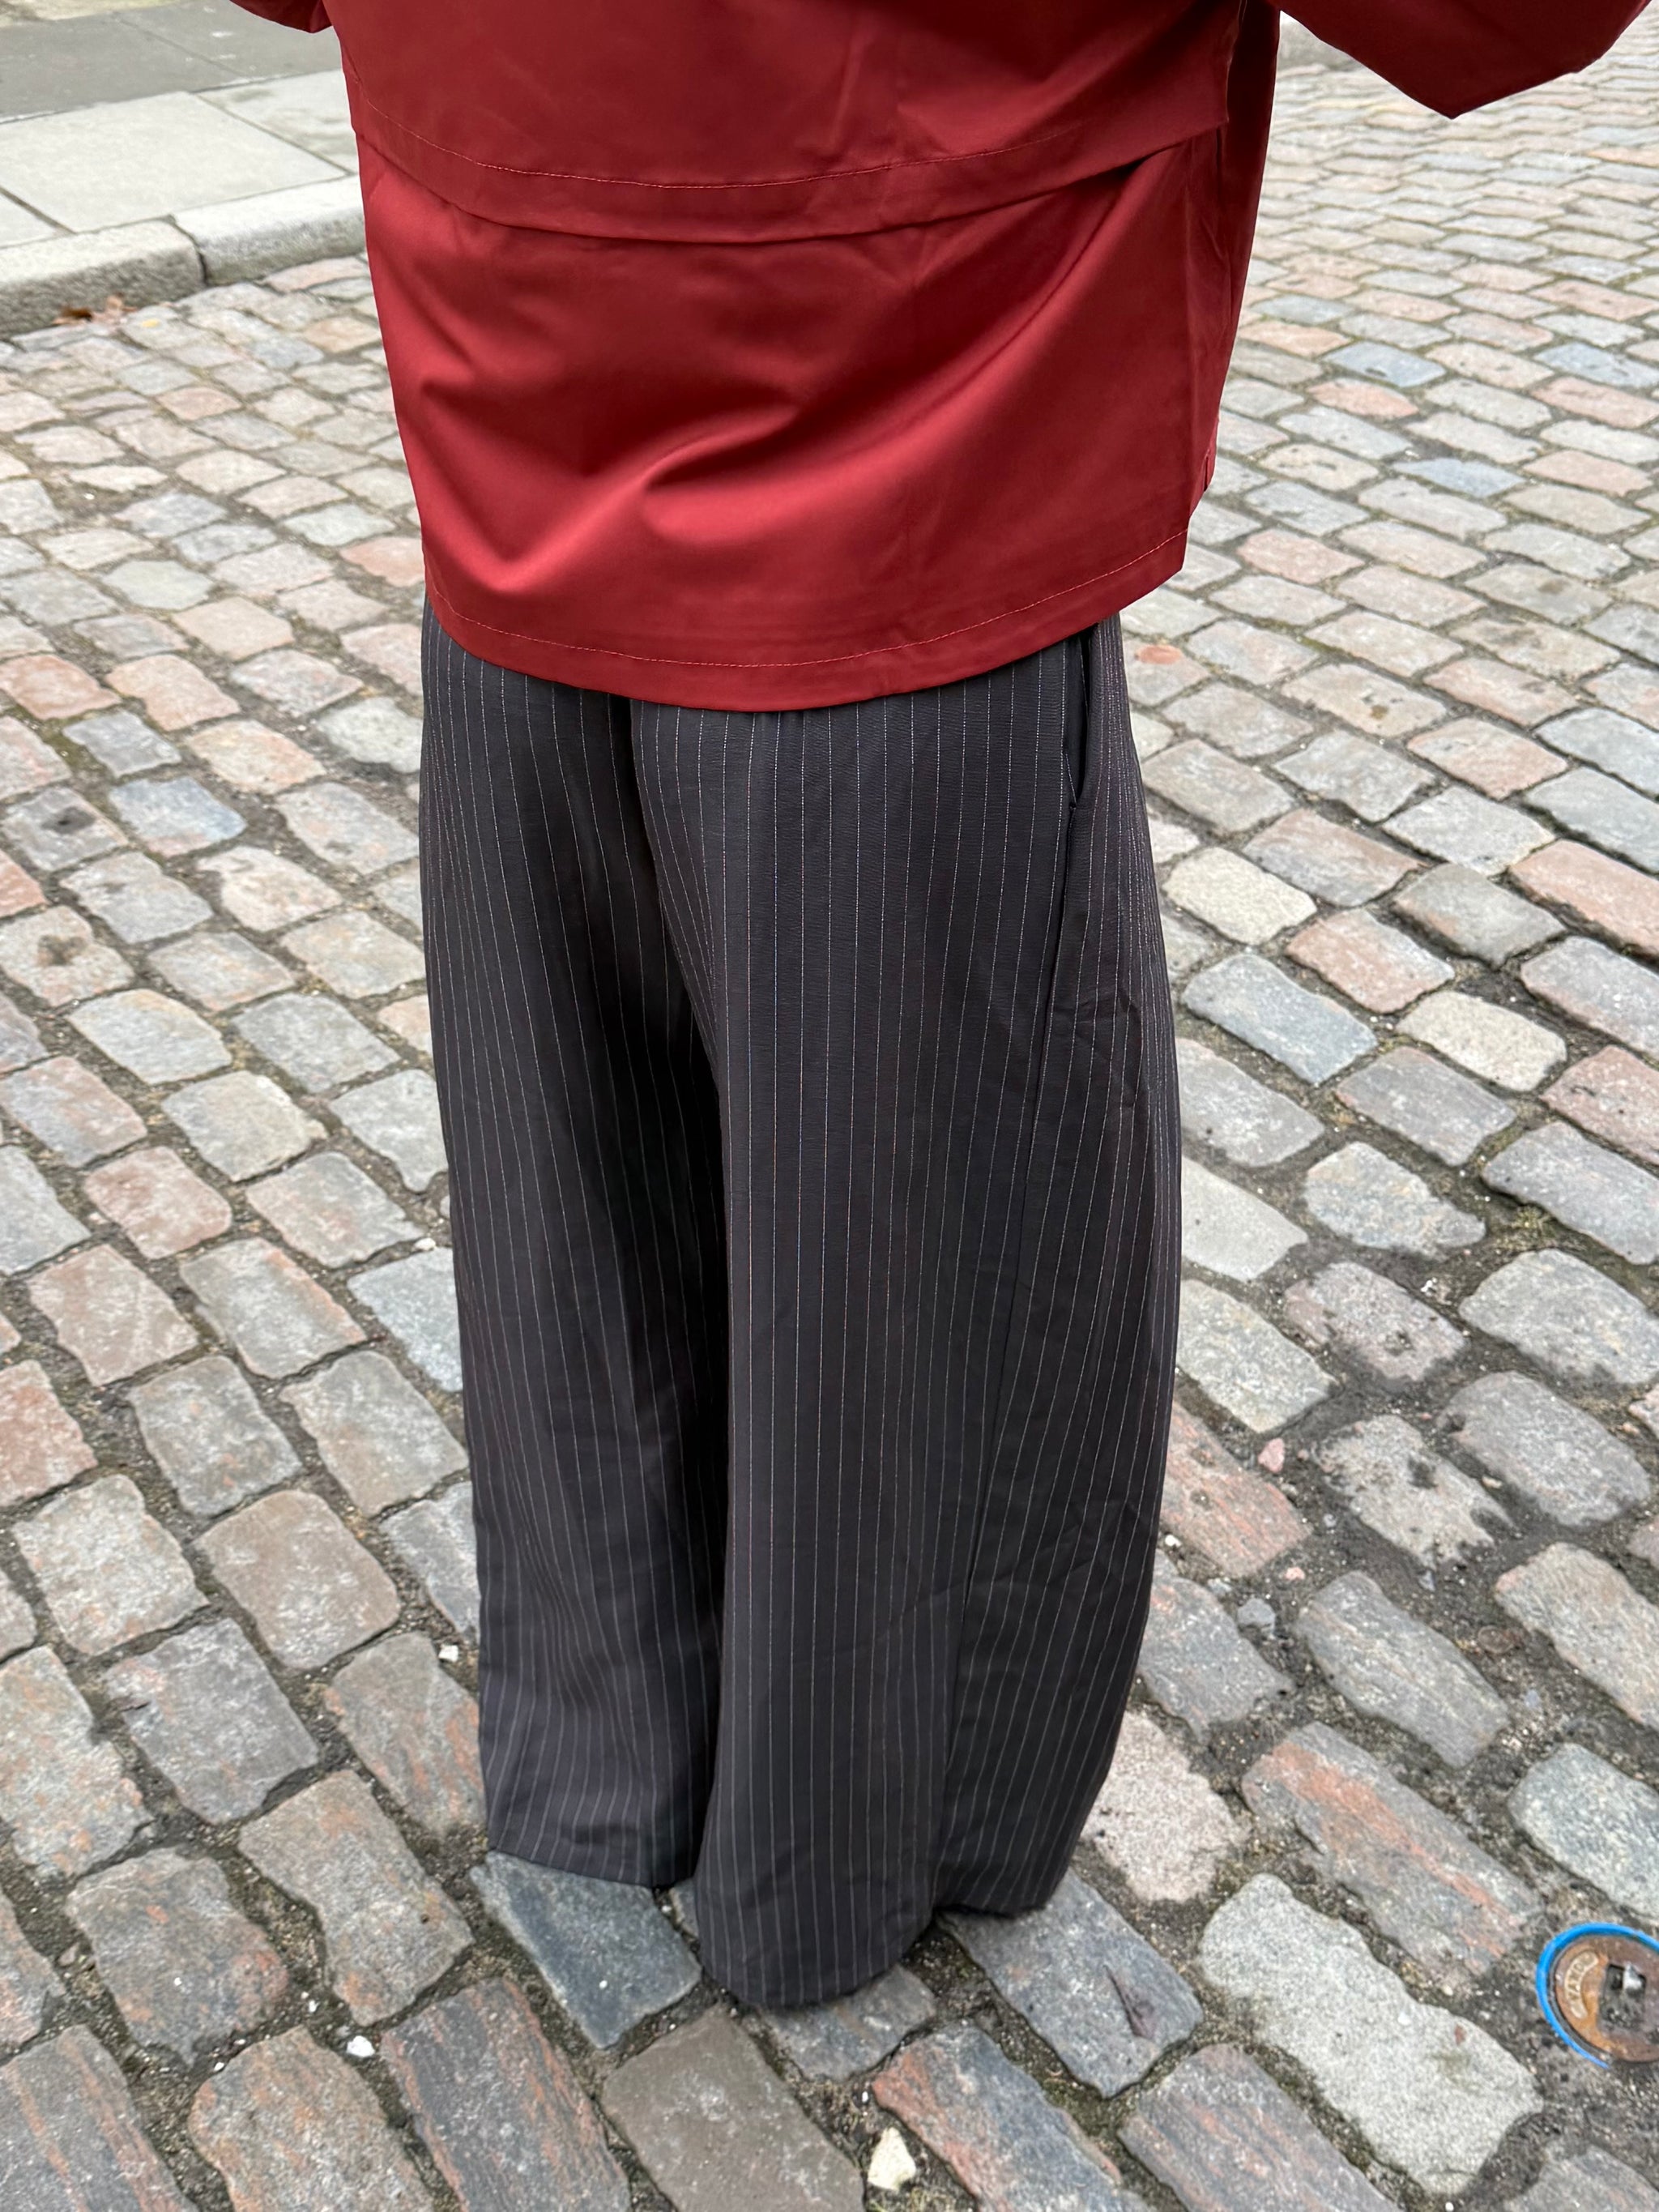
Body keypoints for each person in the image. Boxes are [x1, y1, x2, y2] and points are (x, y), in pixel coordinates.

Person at [229, 0, 1647, 2009]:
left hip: (517, 372)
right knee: (923, 1257)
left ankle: (611, 1767)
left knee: (580, 1191)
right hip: (913, 430)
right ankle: (838, 1859)